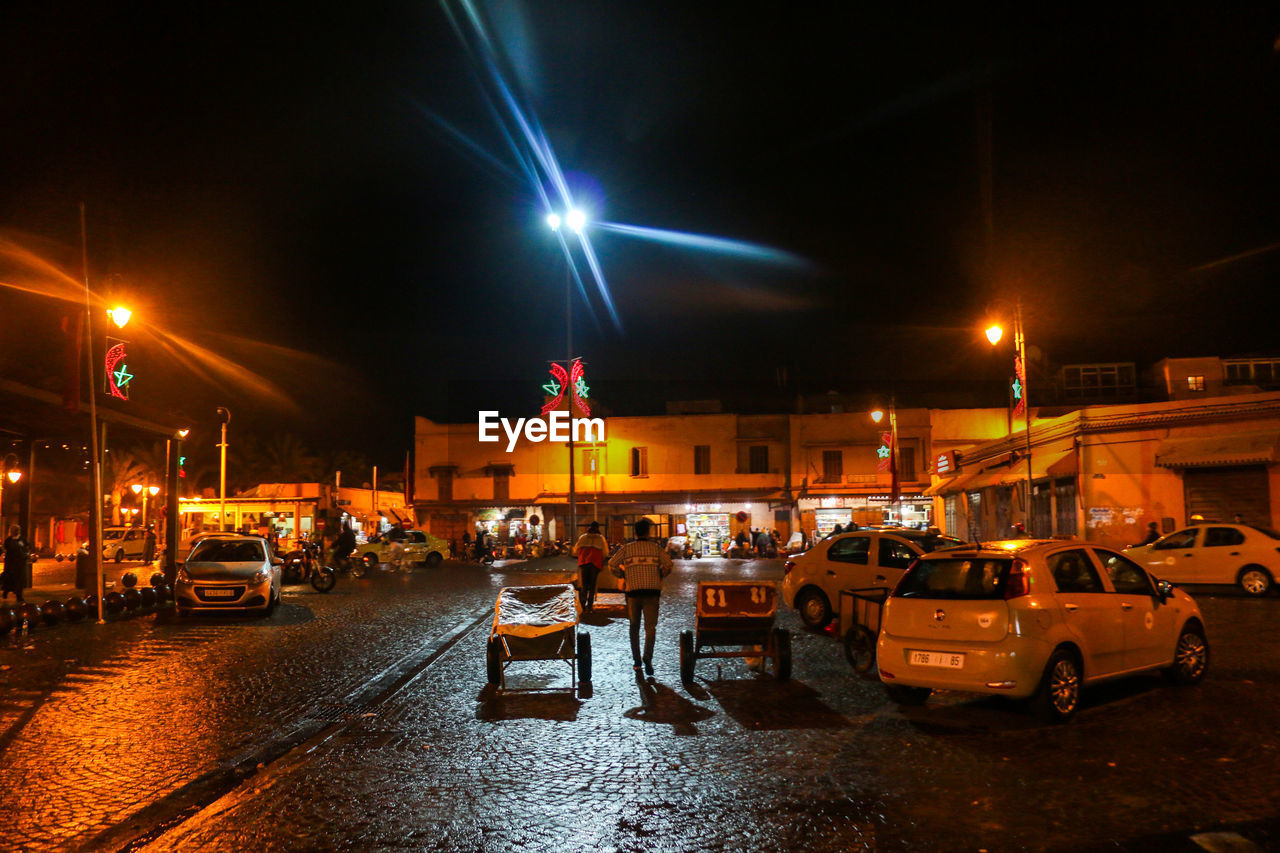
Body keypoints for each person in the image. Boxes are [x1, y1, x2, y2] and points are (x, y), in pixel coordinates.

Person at [608, 518, 673, 675]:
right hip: (652, 592)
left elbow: (612, 564)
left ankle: (637, 661)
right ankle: (648, 659)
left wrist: (623, 574)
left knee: (634, 627)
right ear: (648, 532)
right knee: (650, 628)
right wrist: (660, 575)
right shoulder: (656, 548)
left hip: (633, 593)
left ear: (635, 532)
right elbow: (669, 564)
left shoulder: (626, 549)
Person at [573, 520, 609, 612]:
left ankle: (582, 604)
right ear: (598, 528)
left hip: (584, 563)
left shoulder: (582, 537)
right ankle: (590, 606)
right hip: (595, 564)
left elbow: (575, 551)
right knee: (592, 586)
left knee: (584, 585)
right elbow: (605, 553)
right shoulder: (601, 539)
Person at [3, 524, 29, 603]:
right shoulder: (8, 540)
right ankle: (6, 591)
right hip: (11, 563)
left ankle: (19, 596)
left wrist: (25, 552)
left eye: (17, 530)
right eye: (15, 530)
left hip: (20, 563)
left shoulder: (22, 539)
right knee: (9, 578)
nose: (16, 532)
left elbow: (27, 547)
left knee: (19, 580)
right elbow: (8, 548)